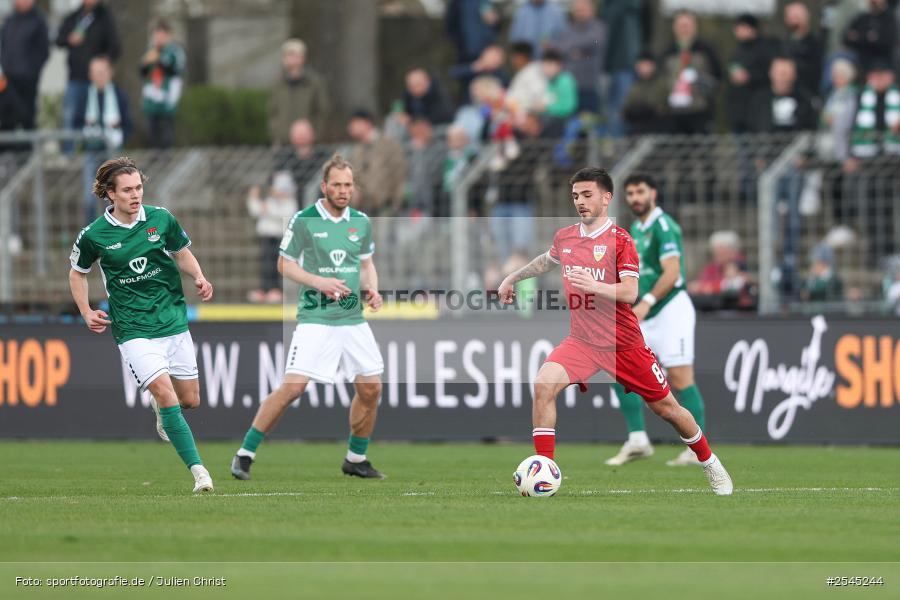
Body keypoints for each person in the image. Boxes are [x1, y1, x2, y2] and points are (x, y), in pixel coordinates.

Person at [497, 167, 733, 495]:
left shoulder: (621, 241)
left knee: (667, 409)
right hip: (582, 340)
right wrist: (513, 278)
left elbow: (630, 292)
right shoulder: (565, 237)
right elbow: (547, 260)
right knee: (543, 385)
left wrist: (596, 285)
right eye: (576, 195)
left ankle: (710, 462)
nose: (580, 201)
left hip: (623, 345)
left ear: (606, 198)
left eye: (588, 194)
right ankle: (544, 470)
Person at [230, 154, 386, 481]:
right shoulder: (304, 220)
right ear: (324, 186)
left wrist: (373, 289)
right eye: (337, 185)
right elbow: (284, 265)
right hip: (315, 318)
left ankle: (356, 458)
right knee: (293, 388)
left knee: (371, 389)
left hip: (352, 320)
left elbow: (366, 264)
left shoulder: (360, 221)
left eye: (348, 185)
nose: (343, 191)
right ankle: (245, 452)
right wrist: (320, 282)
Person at [68, 156, 214, 493]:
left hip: (173, 320)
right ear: (110, 194)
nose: (136, 195)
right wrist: (86, 310)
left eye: (139, 188)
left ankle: (164, 410)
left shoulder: (161, 219)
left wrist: (199, 276)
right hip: (133, 328)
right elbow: (78, 273)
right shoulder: (94, 235)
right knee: (165, 393)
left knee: (189, 400)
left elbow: (181, 253)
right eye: (128, 190)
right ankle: (200, 473)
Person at [604, 174, 708, 467]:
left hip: (670, 307)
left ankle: (695, 449)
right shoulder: (636, 228)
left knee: (679, 377)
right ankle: (638, 439)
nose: (635, 198)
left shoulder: (664, 226)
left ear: (654, 193)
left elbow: (672, 272)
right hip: (644, 311)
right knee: (617, 366)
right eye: (631, 193)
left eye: (640, 192)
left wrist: (647, 302)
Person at [75, 55, 133, 224]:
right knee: (90, 196)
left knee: (115, 194)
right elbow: (76, 123)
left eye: (102, 72)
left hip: (113, 153)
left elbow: (128, 124)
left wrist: (117, 135)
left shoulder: (119, 96)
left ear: (110, 73)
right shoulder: (85, 96)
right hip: (91, 151)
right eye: (95, 73)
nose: (98, 76)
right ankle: (92, 235)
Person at [56, 0, 120, 146]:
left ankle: (99, 150)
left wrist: (104, 62)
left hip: (97, 82)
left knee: (97, 118)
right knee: (71, 118)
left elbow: (115, 46)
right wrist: (69, 39)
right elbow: (58, 40)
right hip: (75, 77)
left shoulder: (105, 17)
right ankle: (69, 156)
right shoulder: (74, 17)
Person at [658, 10, 721, 135]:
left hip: (700, 112)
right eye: (681, 25)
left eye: (687, 25)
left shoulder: (706, 50)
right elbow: (660, 81)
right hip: (673, 114)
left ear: (695, 27)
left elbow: (717, 80)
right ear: (674, 27)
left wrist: (699, 80)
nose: (684, 29)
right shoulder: (667, 52)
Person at [246, 171, 299, 303]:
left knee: (278, 264)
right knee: (265, 265)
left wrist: (267, 210)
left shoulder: (290, 202)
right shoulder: (269, 201)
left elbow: (285, 214)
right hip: (266, 237)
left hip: (280, 238)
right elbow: (256, 210)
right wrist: (253, 198)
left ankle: (276, 289)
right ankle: (264, 289)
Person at [267, 39, 329, 145]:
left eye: (295, 55)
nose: (292, 59)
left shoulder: (313, 82)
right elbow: (272, 111)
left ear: (303, 58)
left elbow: (322, 109)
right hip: (284, 142)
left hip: (308, 143)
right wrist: (277, 133)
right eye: (288, 55)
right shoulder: (278, 83)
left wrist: (314, 133)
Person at [0, 0, 49, 131]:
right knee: (7, 115)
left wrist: (31, 71)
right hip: (9, 78)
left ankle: (27, 149)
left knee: (27, 116)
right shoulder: (10, 20)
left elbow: (44, 51)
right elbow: (4, 45)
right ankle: (7, 149)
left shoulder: (38, 20)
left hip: (28, 80)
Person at [554, 0, 607, 113]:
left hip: (590, 86)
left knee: (589, 124)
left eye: (583, 10)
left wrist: (571, 49)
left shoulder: (599, 28)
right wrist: (577, 51)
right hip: (570, 87)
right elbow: (560, 48)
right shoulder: (568, 30)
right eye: (578, 10)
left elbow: (595, 42)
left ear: (592, 11)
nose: (580, 13)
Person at [139, 20, 185, 149]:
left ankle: (165, 161)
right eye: (157, 35)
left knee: (165, 132)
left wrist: (160, 61)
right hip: (152, 98)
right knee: (152, 133)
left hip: (167, 98)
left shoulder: (175, 51)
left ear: (168, 36)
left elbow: (177, 71)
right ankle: (155, 158)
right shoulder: (150, 51)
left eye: (162, 36)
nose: (159, 39)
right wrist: (145, 63)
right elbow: (142, 73)